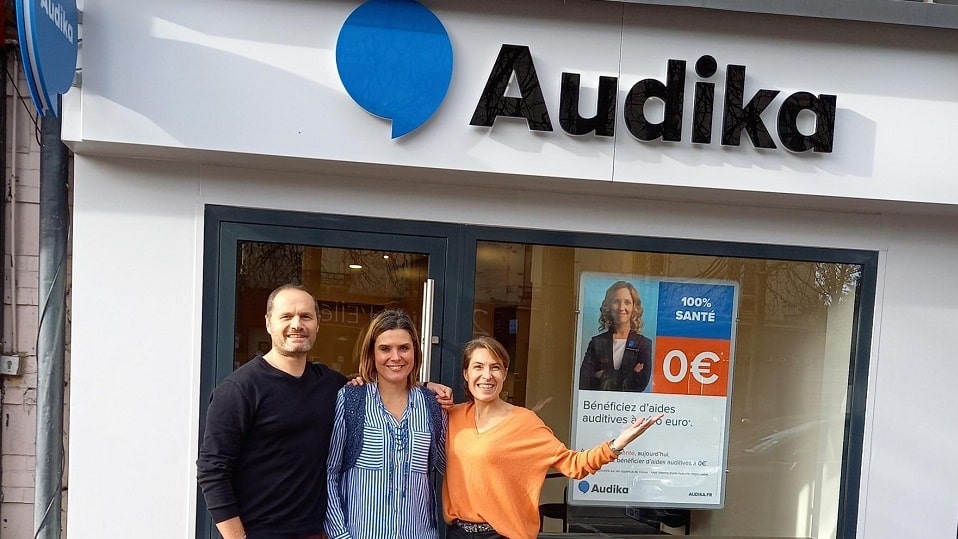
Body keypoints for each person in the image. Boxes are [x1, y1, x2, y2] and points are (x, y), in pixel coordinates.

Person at [197, 284, 451, 539]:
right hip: (259, 531)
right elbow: (212, 472)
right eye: (286, 316)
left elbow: (388, 380)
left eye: (306, 316)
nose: (297, 324)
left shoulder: (332, 385)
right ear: (268, 322)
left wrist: (424, 386)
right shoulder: (239, 390)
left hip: (314, 532)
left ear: (317, 324)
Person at [443, 336, 662, 539]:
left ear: (504, 373)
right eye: (478, 367)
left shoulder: (524, 422)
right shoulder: (452, 417)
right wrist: (426, 386)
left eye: (495, 367)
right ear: (466, 373)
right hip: (457, 532)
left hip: (501, 534)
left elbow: (573, 464)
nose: (487, 375)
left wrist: (617, 444)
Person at [326, 309, 446, 539]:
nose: (396, 357)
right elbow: (329, 474)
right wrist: (339, 535)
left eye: (404, 348)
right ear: (371, 353)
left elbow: (450, 467)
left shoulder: (432, 405)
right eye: (385, 349)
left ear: (415, 351)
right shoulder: (352, 399)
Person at [579, 280, 653, 392]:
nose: (621, 307)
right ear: (608, 306)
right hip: (599, 406)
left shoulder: (643, 344)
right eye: (616, 302)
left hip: (630, 408)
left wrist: (604, 375)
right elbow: (585, 380)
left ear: (634, 307)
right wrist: (630, 374)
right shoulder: (597, 342)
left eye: (627, 302)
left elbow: (640, 383)